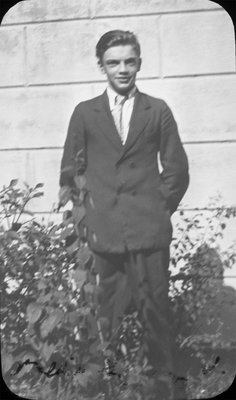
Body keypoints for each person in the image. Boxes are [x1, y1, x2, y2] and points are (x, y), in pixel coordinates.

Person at [59, 30, 189, 399]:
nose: (122, 69)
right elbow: (72, 170)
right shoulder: (85, 113)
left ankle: (161, 388)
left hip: (149, 232)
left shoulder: (157, 110)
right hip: (104, 234)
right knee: (103, 315)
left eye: (129, 61)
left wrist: (157, 206)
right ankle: (96, 385)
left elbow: (177, 169)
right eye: (114, 62)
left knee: (155, 312)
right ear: (101, 66)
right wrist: (89, 216)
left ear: (140, 64)